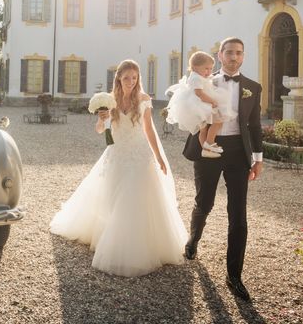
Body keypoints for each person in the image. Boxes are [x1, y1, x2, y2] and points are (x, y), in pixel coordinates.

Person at [50, 59, 187, 277]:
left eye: (134, 78)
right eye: (126, 78)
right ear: (119, 79)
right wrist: (101, 118)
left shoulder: (144, 99)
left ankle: (134, 246)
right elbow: (100, 131)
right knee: (112, 196)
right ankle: (109, 236)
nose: (131, 82)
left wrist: (159, 156)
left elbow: (149, 129)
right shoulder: (110, 100)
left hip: (139, 154)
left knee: (133, 198)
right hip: (116, 153)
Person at [182, 37, 263, 301]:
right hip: (209, 150)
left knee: (238, 213)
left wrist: (258, 158)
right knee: (204, 202)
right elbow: (189, 110)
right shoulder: (204, 80)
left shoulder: (253, 87)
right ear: (219, 55)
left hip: (239, 152)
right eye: (229, 52)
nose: (233, 57)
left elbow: (254, 125)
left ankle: (234, 275)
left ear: (244, 56)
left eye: (239, 53)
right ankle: (193, 240)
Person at [165, 51, 237, 158]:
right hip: (200, 104)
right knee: (218, 121)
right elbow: (199, 93)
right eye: (206, 68)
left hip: (199, 104)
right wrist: (212, 101)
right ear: (194, 67)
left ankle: (205, 149)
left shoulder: (198, 75)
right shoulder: (196, 78)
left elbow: (206, 84)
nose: (209, 71)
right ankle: (209, 142)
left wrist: (210, 78)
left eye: (211, 68)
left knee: (203, 128)